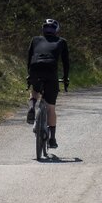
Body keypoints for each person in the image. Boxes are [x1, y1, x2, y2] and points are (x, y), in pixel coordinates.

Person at [26, 19, 70, 149]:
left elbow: (29, 58)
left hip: (35, 69)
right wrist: (65, 78)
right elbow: (66, 62)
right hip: (51, 73)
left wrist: (29, 75)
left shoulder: (35, 40)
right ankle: (52, 139)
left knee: (35, 90)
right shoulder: (61, 41)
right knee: (51, 107)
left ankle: (32, 106)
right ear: (56, 30)